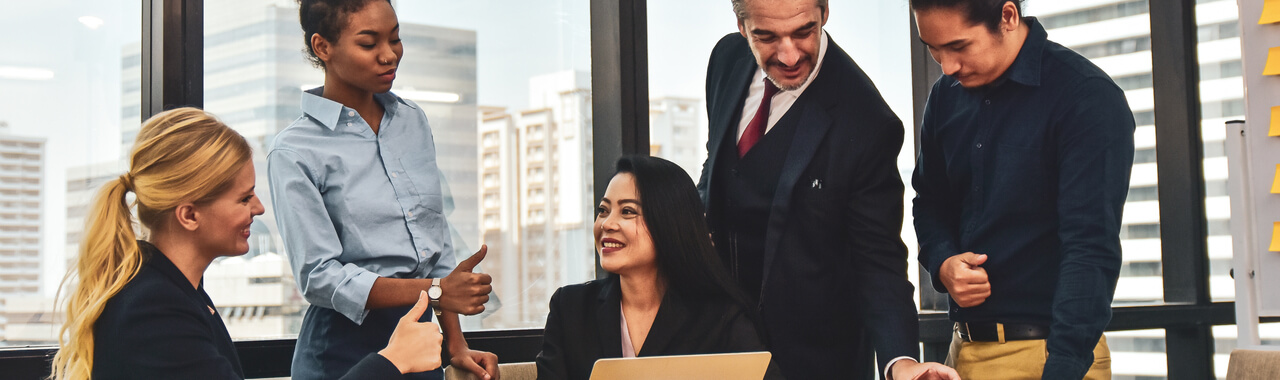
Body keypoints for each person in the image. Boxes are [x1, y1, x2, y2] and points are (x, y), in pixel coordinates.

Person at [50, 108, 444, 380]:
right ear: (189, 215)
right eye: (243, 198)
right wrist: (392, 361)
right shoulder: (153, 310)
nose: (257, 208)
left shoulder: (175, 292)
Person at [699, 1, 958, 379]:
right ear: (741, 27)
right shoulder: (726, 59)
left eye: (803, 32)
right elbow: (717, 166)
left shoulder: (866, 118)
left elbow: (879, 259)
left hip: (815, 361)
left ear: (824, 14)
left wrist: (901, 362)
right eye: (766, 37)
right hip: (718, 349)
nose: (788, 55)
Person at [268, 1, 498, 379]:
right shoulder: (294, 150)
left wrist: (456, 344)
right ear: (323, 47)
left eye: (395, 39)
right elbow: (320, 278)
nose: (389, 55)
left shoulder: (412, 121)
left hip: (422, 345)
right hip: (342, 352)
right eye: (369, 43)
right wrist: (437, 290)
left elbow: (435, 243)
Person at [910, 0, 1135, 379]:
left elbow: (1090, 250)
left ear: (1008, 17)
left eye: (959, 47)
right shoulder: (945, 97)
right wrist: (944, 262)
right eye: (933, 49)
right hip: (961, 353)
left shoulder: (1086, 96)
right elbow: (929, 203)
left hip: (1050, 357)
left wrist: (1062, 370)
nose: (946, 67)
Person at [537, 156, 780, 380]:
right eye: (603, 210)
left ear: (669, 224)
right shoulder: (570, 308)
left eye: (628, 211)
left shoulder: (723, 317)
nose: (607, 223)